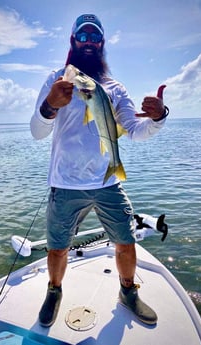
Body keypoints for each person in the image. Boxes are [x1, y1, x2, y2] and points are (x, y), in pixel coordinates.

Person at [30, 14, 169, 328]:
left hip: (107, 181)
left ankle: (128, 292)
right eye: (84, 36)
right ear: (74, 41)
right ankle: (54, 291)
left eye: (95, 37)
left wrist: (158, 118)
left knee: (126, 240)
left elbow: (134, 129)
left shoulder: (115, 89)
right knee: (57, 247)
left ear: (102, 43)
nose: (89, 42)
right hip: (64, 184)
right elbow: (37, 131)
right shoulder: (57, 79)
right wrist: (50, 104)